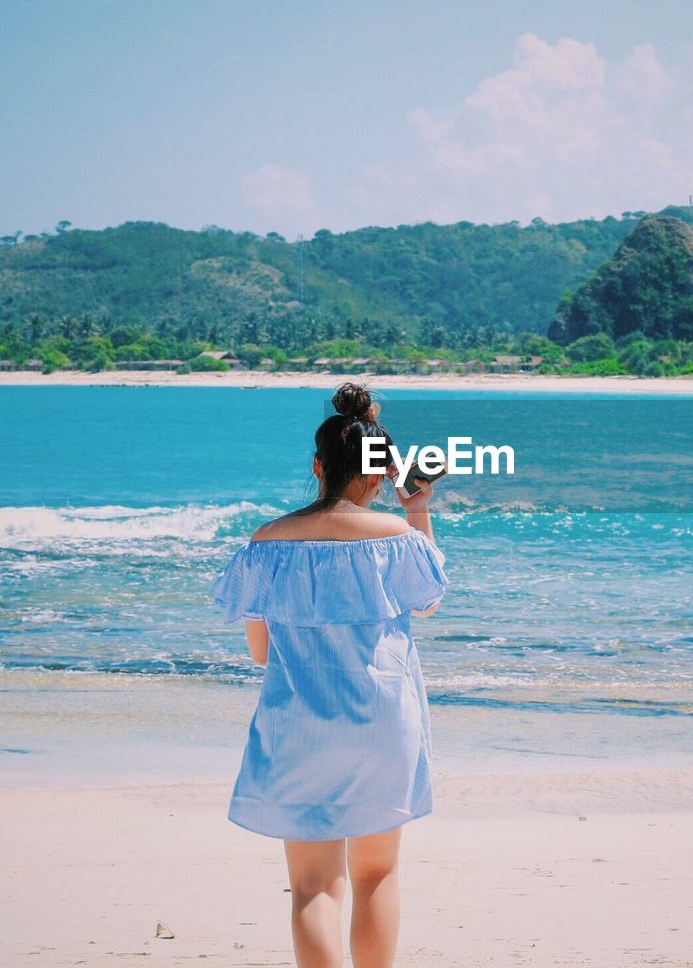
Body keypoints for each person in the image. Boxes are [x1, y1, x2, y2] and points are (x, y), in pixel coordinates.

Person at [211, 383, 447, 968]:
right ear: (377, 474)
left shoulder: (265, 544)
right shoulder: (395, 539)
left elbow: (262, 654)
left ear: (317, 465)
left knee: (314, 887)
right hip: (382, 718)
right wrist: (414, 507)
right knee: (377, 874)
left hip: (298, 722)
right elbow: (428, 602)